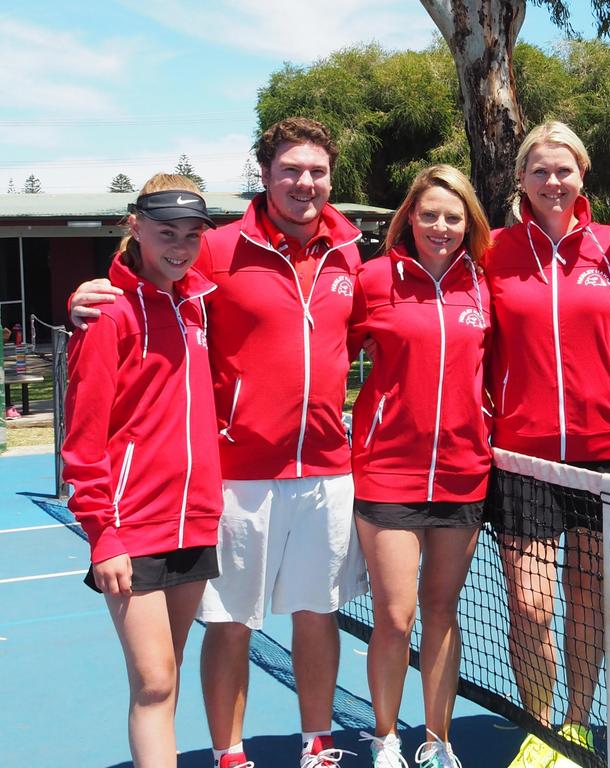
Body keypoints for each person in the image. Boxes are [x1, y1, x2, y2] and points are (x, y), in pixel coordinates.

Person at [69, 117, 369, 768]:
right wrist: (88, 296)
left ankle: (318, 745)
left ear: (331, 178)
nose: (304, 182)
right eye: (290, 169)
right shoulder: (216, 247)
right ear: (264, 176)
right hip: (234, 478)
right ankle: (230, 755)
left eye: (317, 170)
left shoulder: (349, 252)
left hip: (324, 470)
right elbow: (144, 273)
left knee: (317, 613)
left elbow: (381, 333)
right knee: (228, 626)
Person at [486, 121, 610, 768]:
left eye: (564, 170)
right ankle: (539, 726)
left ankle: (576, 725)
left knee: (589, 596)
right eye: (540, 170)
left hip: (604, 452)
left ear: (582, 177)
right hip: (522, 455)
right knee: (529, 603)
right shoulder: (491, 249)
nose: (553, 181)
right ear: (521, 179)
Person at [62, 174, 222, 767]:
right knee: (154, 681)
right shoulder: (108, 314)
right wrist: (104, 536)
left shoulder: (197, 304)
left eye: (190, 235)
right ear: (135, 227)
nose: (179, 246)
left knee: (167, 675)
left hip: (196, 520)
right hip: (132, 528)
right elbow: (82, 440)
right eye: (164, 233)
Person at [349, 165, 492, 768]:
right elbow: (319, 347)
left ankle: (438, 742)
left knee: (442, 612)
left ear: (469, 224)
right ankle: (386, 738)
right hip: (387, 472)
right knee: (395, 615)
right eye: (429, 214)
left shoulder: (485, 286)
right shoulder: (372, 279)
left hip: (463, 472)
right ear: (409, 217)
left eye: (453, 217)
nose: (440, 226)